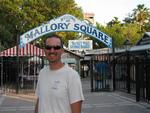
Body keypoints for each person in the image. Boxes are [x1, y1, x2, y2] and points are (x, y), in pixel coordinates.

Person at [34, 34, 84, 113]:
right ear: (44, 50)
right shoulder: (42, 73)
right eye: (48, 47)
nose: (52, 50)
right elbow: (39, 102)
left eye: (56, 47)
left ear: (62, 51)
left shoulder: (72, 76)